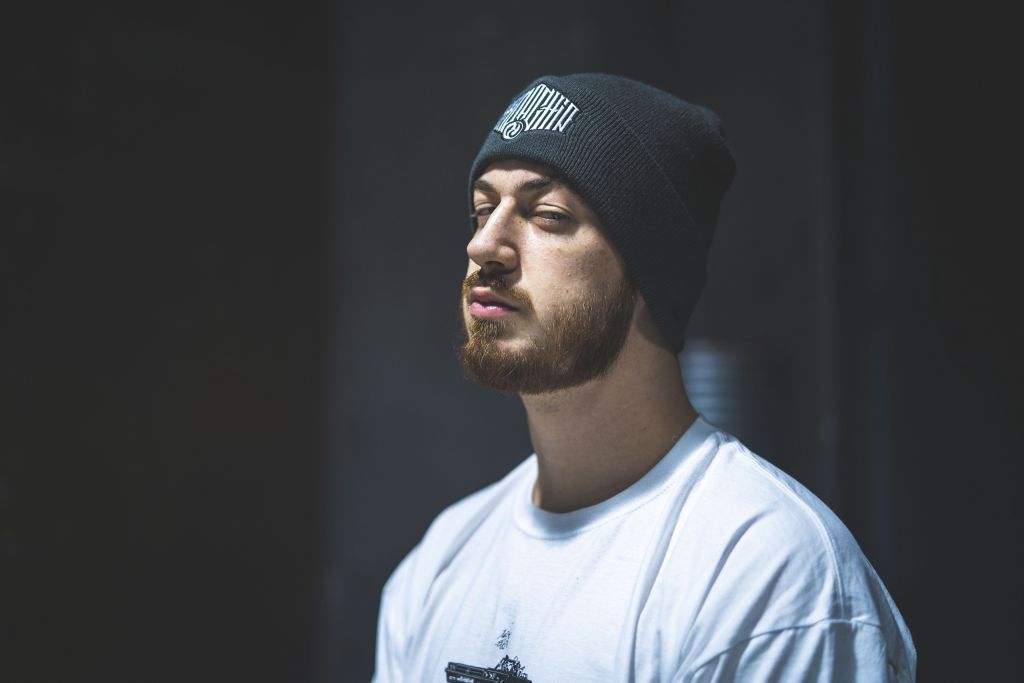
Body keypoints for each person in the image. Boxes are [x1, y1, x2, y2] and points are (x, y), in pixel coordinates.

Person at [372, 74, 916, 682]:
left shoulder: (769, 574)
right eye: (481, 210)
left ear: (650, 271)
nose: (484, 246)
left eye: (547, 215)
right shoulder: (439, 563)